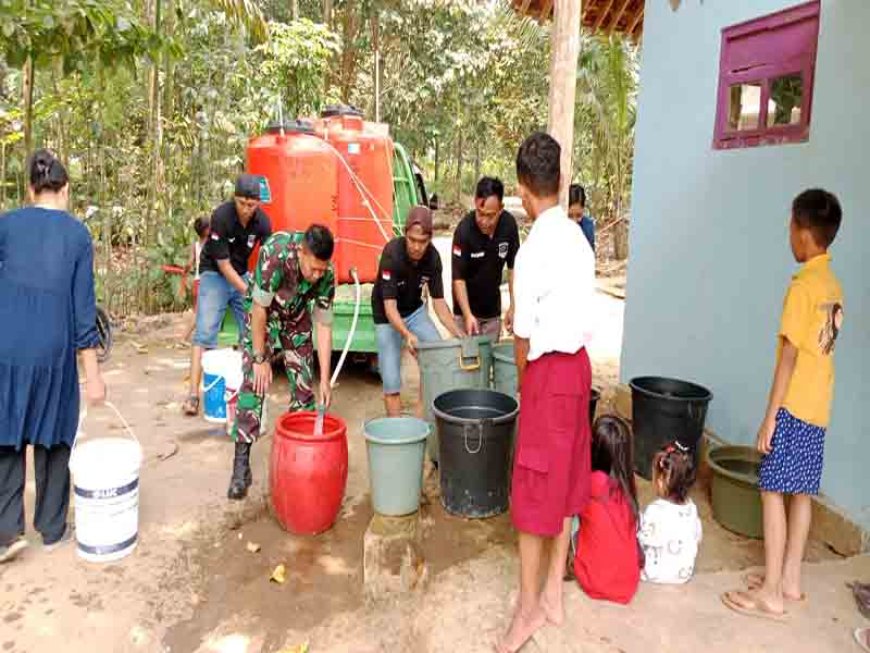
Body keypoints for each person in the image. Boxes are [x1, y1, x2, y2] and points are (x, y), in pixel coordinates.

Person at [723, 189, 844, 620]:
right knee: (802, 492)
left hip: (793, 406)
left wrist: (770, 417)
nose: (788, 234)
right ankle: (790, 580)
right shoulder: (832, 285)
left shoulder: (803, 288)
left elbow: (789, 358)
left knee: (772, 489)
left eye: (792, 226)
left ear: (806, 234)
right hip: (819, 406)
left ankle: (771, 592)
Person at [497, 132, 595, 653]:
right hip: (579, 371)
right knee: (567, 479)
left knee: (535, 492)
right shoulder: (580, 239)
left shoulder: (532, 252)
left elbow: (523, 336)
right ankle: (554, 593)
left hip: (549, 375)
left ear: (523, 192)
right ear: (558, 182)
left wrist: (524, 384)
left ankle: (528, 609)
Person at [0, 149, 107, 562]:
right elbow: (84, 313)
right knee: (55, 433)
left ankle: (8, 532)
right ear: (65, 190)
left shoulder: (6, 225)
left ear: (30, 189)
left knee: (7, 434)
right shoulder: (77, 235)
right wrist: (93, 374)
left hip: (7, 348)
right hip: (52, 352)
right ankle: (51, 527)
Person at [227, 226, 336, 500]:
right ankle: (241, 467)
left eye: (322, 270)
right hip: (263, 314)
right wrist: (261, 358)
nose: (317, 276)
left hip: (296, 317)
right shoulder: (275, 253)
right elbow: (259, 308)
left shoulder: (326, 275)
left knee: (304, 389)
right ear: (302, 252)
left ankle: (298, 460)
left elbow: (323, 326)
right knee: (255, 382)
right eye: (313, 269)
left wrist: (324, 379)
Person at [183, 175, 272, 416]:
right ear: (235, 199)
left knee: (253, 331)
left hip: (242, 273)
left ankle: (247, 390)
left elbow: (268, 258)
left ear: (258, 204)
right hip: (215, 273)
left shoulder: (263, 223)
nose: (246, 209)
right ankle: (193, 394)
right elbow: (223, 265)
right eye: (242, 203)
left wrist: (262, 287)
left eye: (251, 205)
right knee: (205, 333)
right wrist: (250, 291)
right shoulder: (221, 217)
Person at [372, 206, 463, 417]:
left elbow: (439, 304)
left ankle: (421, 419)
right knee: (391, 378)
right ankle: (396, 429)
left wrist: (458, 332)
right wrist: (407, 335)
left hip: (414, 311)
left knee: (436, 357)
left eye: (422, 241)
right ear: (405, 234)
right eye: (412, 240)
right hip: (387, 315)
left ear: (430, 239)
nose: (416, 246)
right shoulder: (392, 254)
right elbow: (389, 307)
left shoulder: (433, 259)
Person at [570, 416, 640, 605]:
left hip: (593, 582)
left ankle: (567, 565)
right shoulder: (627, 489)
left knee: (569, 513)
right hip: (628, 585)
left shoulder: (589, 486)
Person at [451, 176, 520, 338]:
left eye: (490, 215)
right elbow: (458, 279)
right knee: (467, 361)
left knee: (488, 358)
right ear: (475, 203)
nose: (484, 221)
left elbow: (513, 268)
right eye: (480, 214)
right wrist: (467, 315)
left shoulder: (508, 226)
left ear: (501, 208)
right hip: (465, 312)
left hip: (492, 314)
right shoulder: (464, 231)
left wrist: (513, 305)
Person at [639, 441, 702, 584]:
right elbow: (698, 537)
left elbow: (643, 539)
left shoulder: (655, 510)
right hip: (683, 575)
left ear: (662, 481)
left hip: (654, 573)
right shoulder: (692, 507)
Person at [181, 216, 210, 340]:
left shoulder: (195, 245)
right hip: (206, 282)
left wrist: (185, 271)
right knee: (198, 313)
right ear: (206, 230)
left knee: (199, 311)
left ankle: (202, 337)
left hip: (197, 281)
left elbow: (189, 263)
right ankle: (183, 338)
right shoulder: (211, 244)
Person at [568, 184, 595, 253]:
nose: (574, 221)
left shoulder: (588, 227)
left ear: (583, 209)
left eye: (578, 215)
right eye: (570, 216)